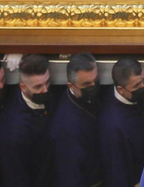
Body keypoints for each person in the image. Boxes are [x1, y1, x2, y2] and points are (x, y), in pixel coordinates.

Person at [0, 53, 53, 187]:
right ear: (23, 87)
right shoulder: (14, 128)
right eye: (38, 87)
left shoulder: (50, 98)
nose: (45, 90)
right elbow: (16, 176)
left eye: (47, 83)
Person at [49, 53, 101, 187]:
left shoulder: (87, 98)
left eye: (95, 80)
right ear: (71, 85)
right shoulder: (67, 126)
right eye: (86, 84)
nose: (93, 86)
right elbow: (70, 175)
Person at [99, 56, 144, 187]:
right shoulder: (113, 127)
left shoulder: (133, 97)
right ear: (120, 89)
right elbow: (117, 173)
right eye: (136, 86)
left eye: (143, 81)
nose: (142, 87)